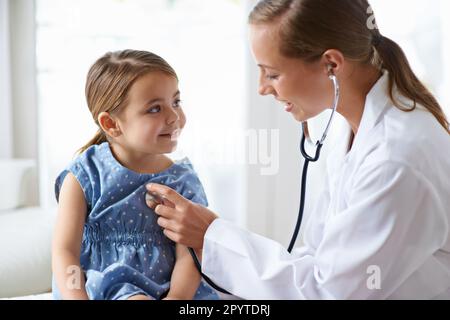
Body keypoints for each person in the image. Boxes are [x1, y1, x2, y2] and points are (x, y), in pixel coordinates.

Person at [146, 0, 450, 299]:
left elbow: (329, 292)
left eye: (272, 73)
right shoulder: (351, 129)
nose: (262, 88)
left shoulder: (395, 158)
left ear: (331, 64)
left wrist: (211, 235)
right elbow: (320, 261)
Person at [51, 49, 218, 300]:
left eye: (176, 102)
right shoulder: (84, 176)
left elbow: (190, 254)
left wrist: (176, 299)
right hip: (104, 285)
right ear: (111, 124)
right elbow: (65, 251)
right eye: (154, 109)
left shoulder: (182, 180)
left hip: (172, 288)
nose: (174, 117)